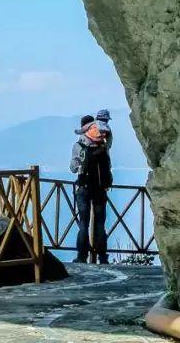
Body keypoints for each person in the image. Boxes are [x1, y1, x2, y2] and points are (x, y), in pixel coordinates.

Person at [70, 113, 113, 264]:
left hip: (84, 188)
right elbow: (108, 164)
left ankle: (82, 256)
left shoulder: (79, 145)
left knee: (83, 223)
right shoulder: (103, 144)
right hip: (100, 188)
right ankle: (102, 256)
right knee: (100, 223)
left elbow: (73, 168)